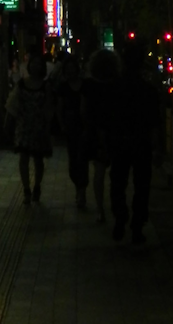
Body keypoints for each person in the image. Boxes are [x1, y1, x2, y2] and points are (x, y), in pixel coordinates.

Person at [108, 38, 161, 244]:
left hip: (119, 142)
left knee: (118, 184)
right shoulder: (148, 90)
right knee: (142, 186)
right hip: (141, 142)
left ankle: (120, 219)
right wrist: (157, 148)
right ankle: (137, 226)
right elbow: (155, 122)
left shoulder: (114, 88)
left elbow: (107, 119)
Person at [5, 55, 54, 205]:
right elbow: (13, 104)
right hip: (24, 126)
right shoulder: (22, 84)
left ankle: (37, 186)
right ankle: (26, 189)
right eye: (34, 63)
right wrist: (8, 122)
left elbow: (49, 107)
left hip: (39, 126)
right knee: (24, 157)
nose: (36, 66)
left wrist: (48, 125)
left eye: (39, 64)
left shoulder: (46, 86)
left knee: (38, 159)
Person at [84, 48, 120, 222]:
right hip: (116, 132)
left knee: (98, 173)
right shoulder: (118, 85)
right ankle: (115, 206)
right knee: (118, 173)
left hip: (96, 132)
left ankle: (100, 209)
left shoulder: (89, 86)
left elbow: (85, 111)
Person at [53, 52, 89, 209]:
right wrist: (62, 125)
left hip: (84, 127)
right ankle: (78, 188)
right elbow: (59, 108)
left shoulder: (85, 85)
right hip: (70, 127)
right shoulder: (63, 87)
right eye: (67, 70)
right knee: (73, 162)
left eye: (72, 69)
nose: (70, 72)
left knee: (83, 160)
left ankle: (82, 193)